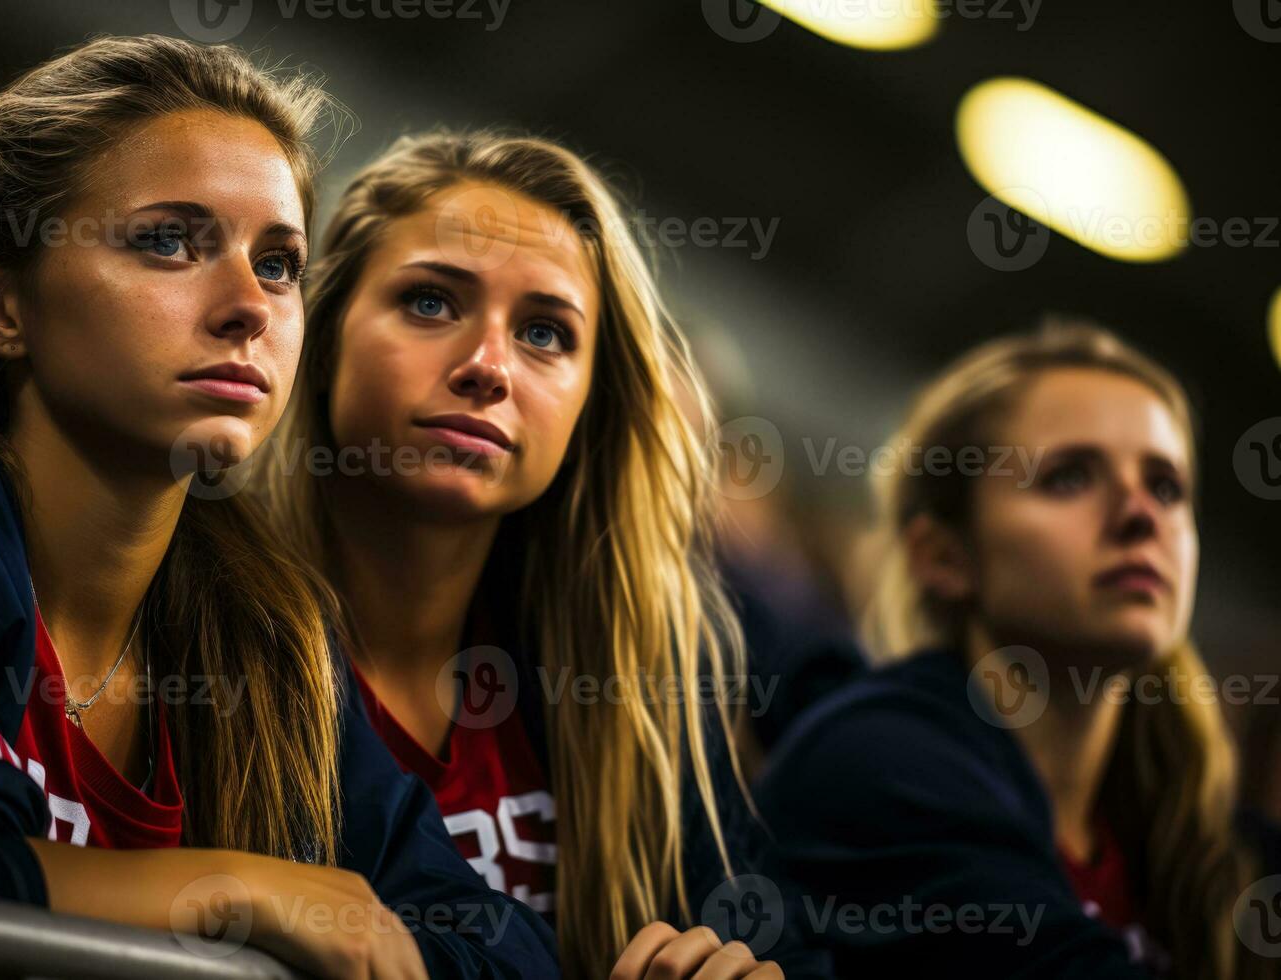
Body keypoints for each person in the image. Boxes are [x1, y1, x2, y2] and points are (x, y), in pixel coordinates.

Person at [0, 36, 555, 979]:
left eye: (280, 263)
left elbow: (506, 946)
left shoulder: (270, 630)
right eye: (169, 240)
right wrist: (241, 892)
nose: (250, 305)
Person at [255, 130, 824, 978]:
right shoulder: (209, 618)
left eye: (547, 334)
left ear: (591, 406)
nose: (488, 366)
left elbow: (782, 943)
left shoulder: (633, 670)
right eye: (431, 303)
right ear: (324, 332)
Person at [756, 321, 1276, 979]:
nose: (1142, 513)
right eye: (1069, 477)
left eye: (1167, 485)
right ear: (944, 556)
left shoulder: (1213, 839)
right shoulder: (876, 761)